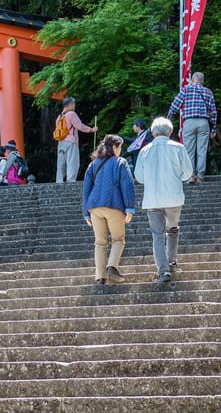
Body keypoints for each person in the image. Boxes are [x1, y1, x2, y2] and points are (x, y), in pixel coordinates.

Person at [133, 117, 198, 283]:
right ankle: (171, 260)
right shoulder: (178, 147)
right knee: (173, 229)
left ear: (153, 133)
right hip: (173, 197)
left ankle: (163, 271)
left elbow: (138, 177)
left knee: (157, 235)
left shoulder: (145, 150)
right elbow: (187, 173)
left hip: (152, 199)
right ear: (170, 132)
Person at [82, 134, 136, 284]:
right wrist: (130, 207)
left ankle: (101, 277)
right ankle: (112, 267)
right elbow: (127, 186)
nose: (120, 151)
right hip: (113, 205)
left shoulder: (93, 164)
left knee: (100, 242)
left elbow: (86, 189)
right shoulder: (120, 162)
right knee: (118, 239)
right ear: (114, 147)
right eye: (119, 147)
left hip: (94, 207)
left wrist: (85, 213)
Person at [167, 72, 218, 178]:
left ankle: (190, 175)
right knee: (202, 150)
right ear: (202, 81)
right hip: (204, 122)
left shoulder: (186, 90)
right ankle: (200, 175)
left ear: (192, 79)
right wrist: (213, 128)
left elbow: (174, 105)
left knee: (189, 150)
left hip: (189, 122)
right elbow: (213, 111)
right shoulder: (208, 92)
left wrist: (169, 118)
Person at [56, 97, 97, 183]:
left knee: (61, 162)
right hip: (71, 141)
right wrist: (91, 129)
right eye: (74, 104)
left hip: (61, 142)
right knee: (72, 161)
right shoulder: (71, 114)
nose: (75, 106)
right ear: (70, 104)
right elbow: (79, 126)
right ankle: (71, 180)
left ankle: (59, 181)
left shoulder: (59, 117)